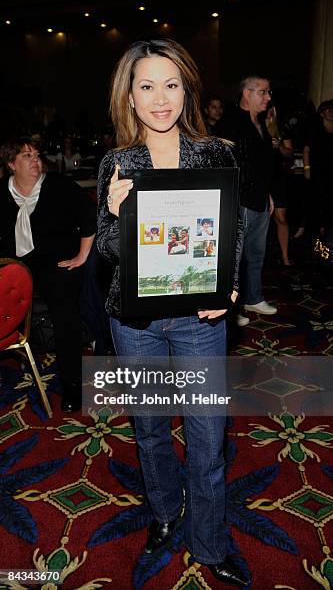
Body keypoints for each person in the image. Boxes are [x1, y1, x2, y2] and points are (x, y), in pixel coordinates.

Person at [97, 39, 246, 587]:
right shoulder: (118, 161)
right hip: (134, 323)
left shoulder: (216, 153)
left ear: (186, 91)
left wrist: (227, 289)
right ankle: (163, 514)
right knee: (152, 428)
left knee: (208, 438)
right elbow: (110, 254)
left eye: (171, 84)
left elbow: (227, 237)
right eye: (146, 86)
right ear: (130, 98)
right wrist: (114, 213)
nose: (160, 98)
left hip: (199, 322)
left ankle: (209, 545)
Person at [0, 136, 96, 412]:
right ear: (11, 164)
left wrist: (81, 256)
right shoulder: (2, 193)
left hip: (58, 263)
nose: (35, 160)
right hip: (16, 266)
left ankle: (73, 384)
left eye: (36, 155)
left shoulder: (58, 186)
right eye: (26, 156)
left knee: (64, 308)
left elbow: (90, 217)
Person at [216, 75, 277, 326]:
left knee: (256, 253)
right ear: (247, 94)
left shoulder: (260, 123)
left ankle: (253, 297)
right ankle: (234, 307)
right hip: (239, 199)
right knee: (234, 257)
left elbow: (261, 165)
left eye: (268, 92)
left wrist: (268, 194)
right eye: (263, 92)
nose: (268, 97)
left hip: (259, 198)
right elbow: (223, 165)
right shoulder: (228, 124)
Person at [265, 105, 294, 266]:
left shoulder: (282, 128)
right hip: (260, 176)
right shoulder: (254, 125)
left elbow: (289, 152)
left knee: (280, 217)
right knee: (260, 218)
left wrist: (279, 146)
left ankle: (285, 256)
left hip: (278, 177)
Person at [303, 99, 333, 235]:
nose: (331, 112)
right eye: (328, 110)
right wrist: (307, 168)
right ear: (321, 113)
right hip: (318, 171)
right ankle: (315, 233)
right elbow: (306, 150)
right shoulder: (316, 130)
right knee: (316, 202)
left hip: (330, 171)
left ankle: (326, 231)